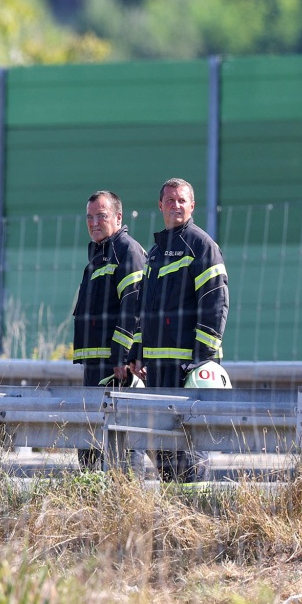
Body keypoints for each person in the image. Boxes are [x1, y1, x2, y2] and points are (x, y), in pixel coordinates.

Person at [128, 178, 228, 485]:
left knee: (189, 446)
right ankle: (175, 514)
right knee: (163, 446)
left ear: (192, 205)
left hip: (187, 367)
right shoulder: (156, 252)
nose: (176, 206)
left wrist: (201, 357)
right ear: (160, 206)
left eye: (182, 200)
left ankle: (195, 514)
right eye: (170, 200)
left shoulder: (201, 246)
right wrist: (137, 352)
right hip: (157, 368)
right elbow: (145, 307)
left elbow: (216, 302)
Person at [73, 190, 146, 471]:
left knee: (123, 442)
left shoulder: (126, 250)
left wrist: (123, 356)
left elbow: (134, 308)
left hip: (115, 368)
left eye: (101, 216)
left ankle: (128, 500)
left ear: (118, 217)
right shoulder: (98, 255)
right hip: (96, 365)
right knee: (90, 441)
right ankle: (94, 505)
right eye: (89, 217)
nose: (93, 223)